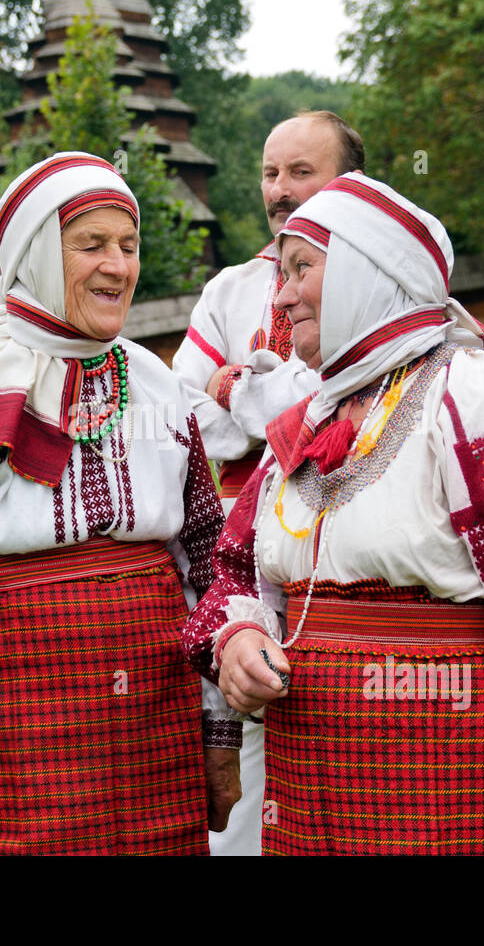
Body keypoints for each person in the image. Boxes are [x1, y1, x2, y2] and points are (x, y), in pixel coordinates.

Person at [182, 173, 484, 855]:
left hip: (453, 798)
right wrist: (236, 641)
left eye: (300, 270)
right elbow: (233, 572)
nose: (281, 298)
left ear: (368, 273)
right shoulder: (303, 427)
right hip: (314, 805)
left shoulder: (483, 399)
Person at [0, 152, 234, 856]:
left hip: (157, 716)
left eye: (129, 245)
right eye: (91, 245)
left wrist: (219, 726)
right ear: (34, 259)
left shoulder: (156, 384)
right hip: (18, 714)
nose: (118, 266)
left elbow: (210, 559)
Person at [170, 110, 365, 855]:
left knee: (328, 712)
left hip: (347, 529)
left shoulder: (393, 279)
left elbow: (363, 404)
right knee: (239, 716)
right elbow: (188, 420)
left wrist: (247, 392)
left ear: (351, 182)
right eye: (269, 173)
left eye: (300, 172)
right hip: (240, 542)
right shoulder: (229, 288)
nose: (279, 190)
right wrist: (268, 399)